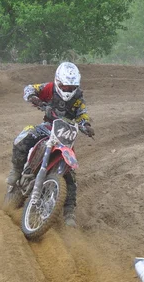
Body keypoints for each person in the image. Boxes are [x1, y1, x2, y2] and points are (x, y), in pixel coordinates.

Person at [6, 62, 95, 227]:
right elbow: (29, 89)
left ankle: (69, 214)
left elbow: (83, 114)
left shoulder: (78, 100)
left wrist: (86, 125)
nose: (67, 90)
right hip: (47, 128)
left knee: (71, 174)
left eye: (71, 87)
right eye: (65, 86)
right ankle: (17, 170)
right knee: (24, 137)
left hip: (66, 136)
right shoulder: (49, 88)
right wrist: (35, 99)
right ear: (58, 81)